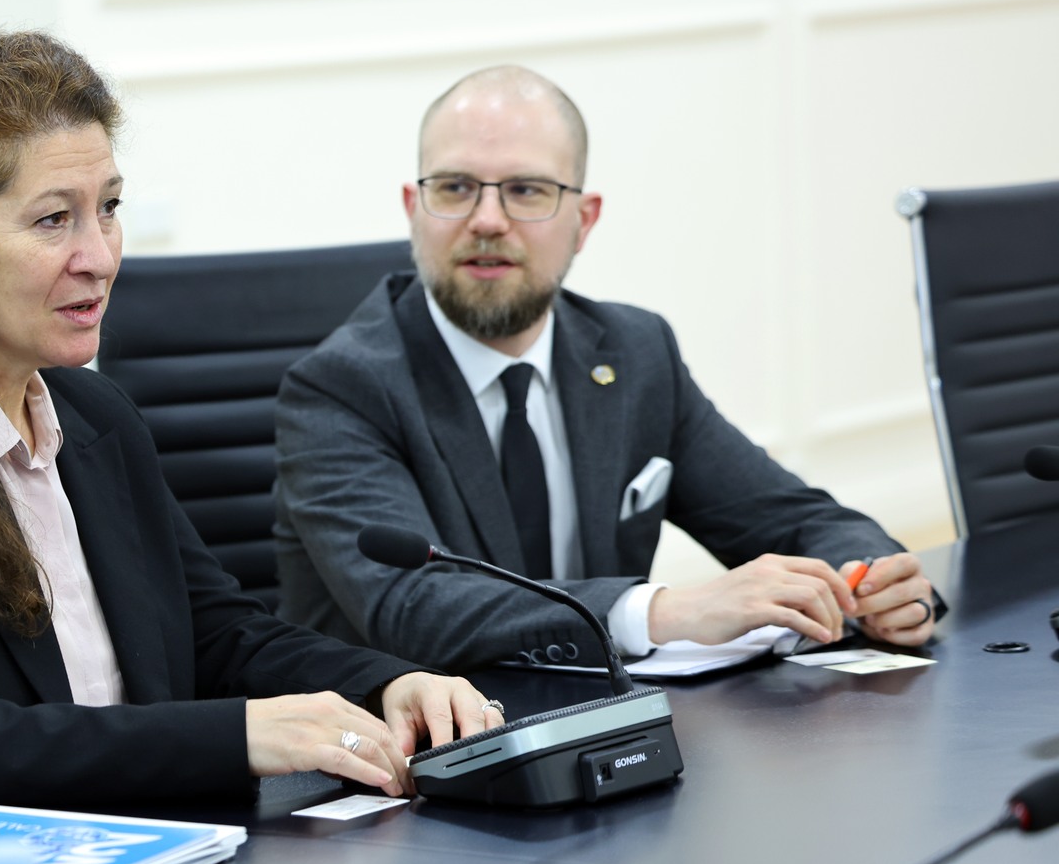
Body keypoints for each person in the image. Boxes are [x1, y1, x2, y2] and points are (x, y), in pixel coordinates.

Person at [0, 31, 498, 857]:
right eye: (54, 219)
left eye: (108, 208)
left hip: (125, 856)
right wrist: (236, 735)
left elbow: (217, 632)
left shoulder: (93, 415)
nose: (99, 257)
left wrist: (387, 681)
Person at [274, 65, 939, 671]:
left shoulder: (634, 352)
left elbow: (789, 517)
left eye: (526, 190)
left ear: (584, 220)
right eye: (454, 188)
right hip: (403, 748)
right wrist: (661, 611)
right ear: (413, 208)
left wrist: (870, 578)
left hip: (604, 731)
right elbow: (415, 608)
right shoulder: (340, 388)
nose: (487, 220)